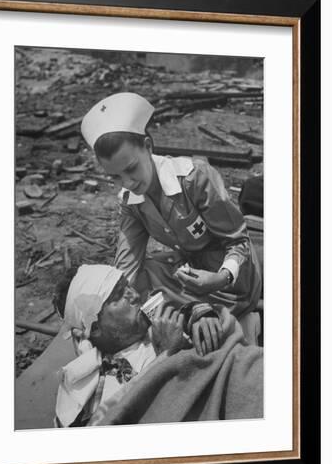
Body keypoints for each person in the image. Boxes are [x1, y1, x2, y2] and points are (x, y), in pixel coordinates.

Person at [81, 92, 262, 319]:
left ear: (148, 146)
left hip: (231, 280)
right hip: (191, 274)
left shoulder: (195, 178)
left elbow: (238, 241)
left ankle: (195, 311)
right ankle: (189, 310)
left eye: (131, 168)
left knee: (164, 306)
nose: (127, 182)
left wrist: (222, 277)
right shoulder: (130, 202)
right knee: (142, 274)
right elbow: (128, 262)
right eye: (115, 177)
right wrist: (111, 303)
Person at [54, 264, 263, 428]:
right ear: (96, 328)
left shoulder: (164, 324)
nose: (135, 295)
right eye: (119, 296)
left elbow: (227, 343)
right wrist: (166, 358)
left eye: (128, 286)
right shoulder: (84, 393)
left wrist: (202, 314)